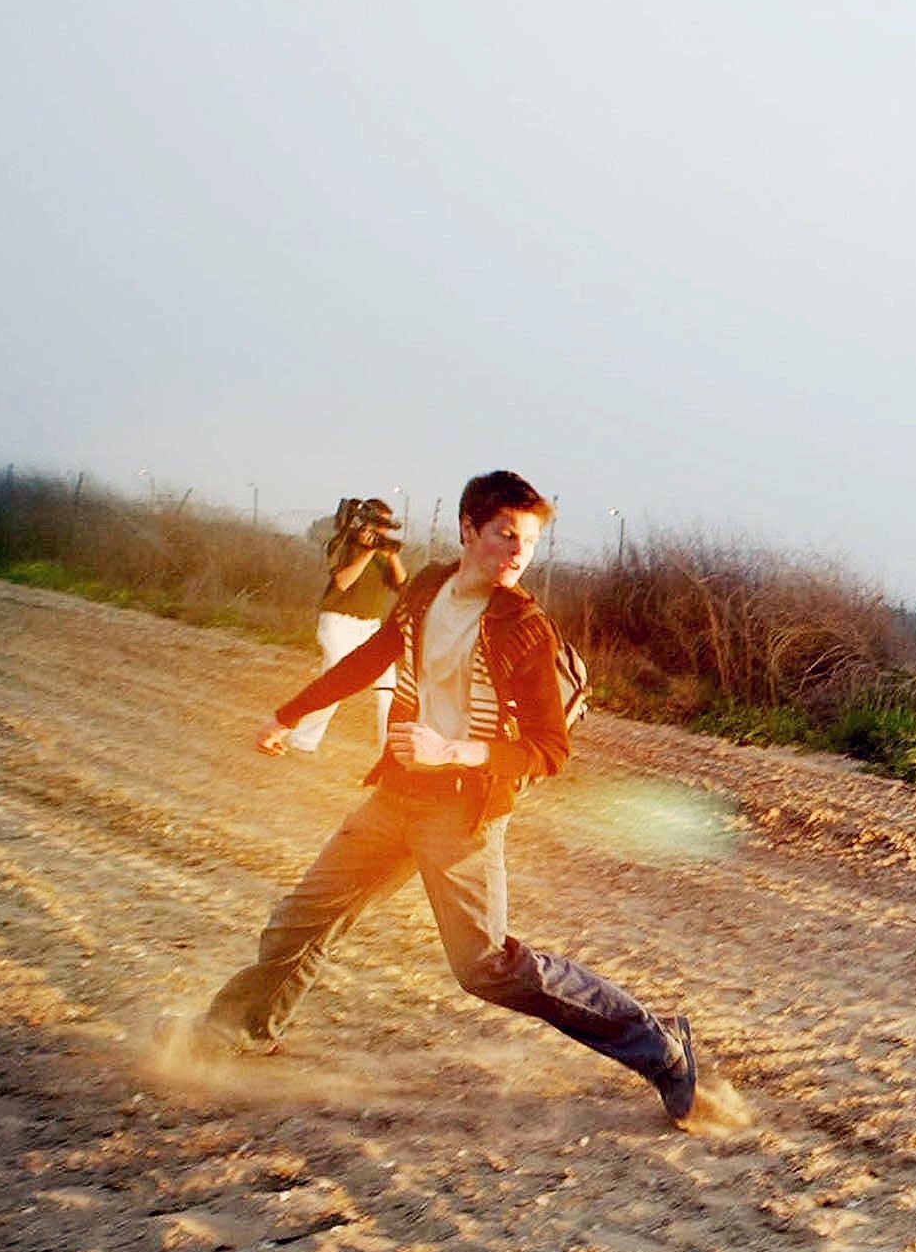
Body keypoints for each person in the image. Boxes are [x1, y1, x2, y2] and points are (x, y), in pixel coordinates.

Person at [180, 469, 745, 1131]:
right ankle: (244, 1027)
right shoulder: (424, 590)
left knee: (483, 967)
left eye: (528, 542)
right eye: (505, 535)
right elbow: (371, 659)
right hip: (394, 798)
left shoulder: (523, 628)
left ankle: (663, 1048)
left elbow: (548, 749)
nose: (516, 554)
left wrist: (457, 751)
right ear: (468, 529)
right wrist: (288, 713)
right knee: (299, 919)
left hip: (462, 814)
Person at [283, 496, 405, 755]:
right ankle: (303, 740)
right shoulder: (343, 543)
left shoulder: (384, 553)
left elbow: (404, 586)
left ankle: (389, 754)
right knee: (335, 684)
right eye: (377, 526)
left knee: (388, 691)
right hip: (338, 621)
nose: (381, 532)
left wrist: (391, 556)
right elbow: (342, 582)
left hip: (370, 627)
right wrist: (367, 552)